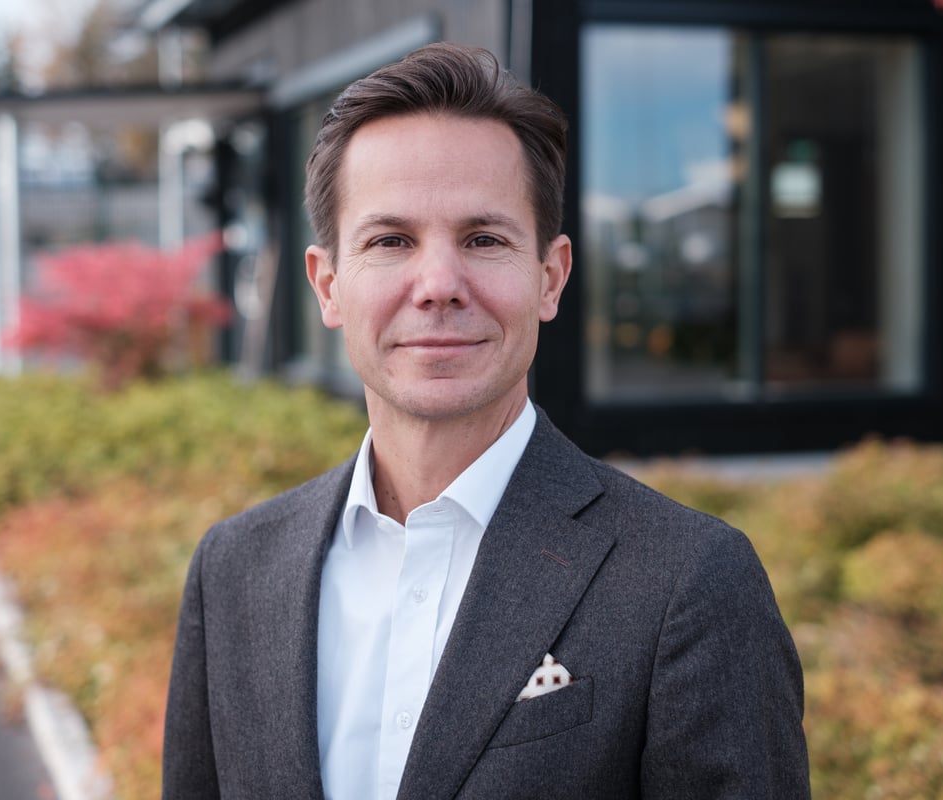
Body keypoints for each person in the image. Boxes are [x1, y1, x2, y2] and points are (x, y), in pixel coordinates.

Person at [162, 42, 809, 799]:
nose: (438, 284)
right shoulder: (234, 570)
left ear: (550, 277)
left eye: (484, 240)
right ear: (328, 284)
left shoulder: (690, 582)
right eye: (391, 241)